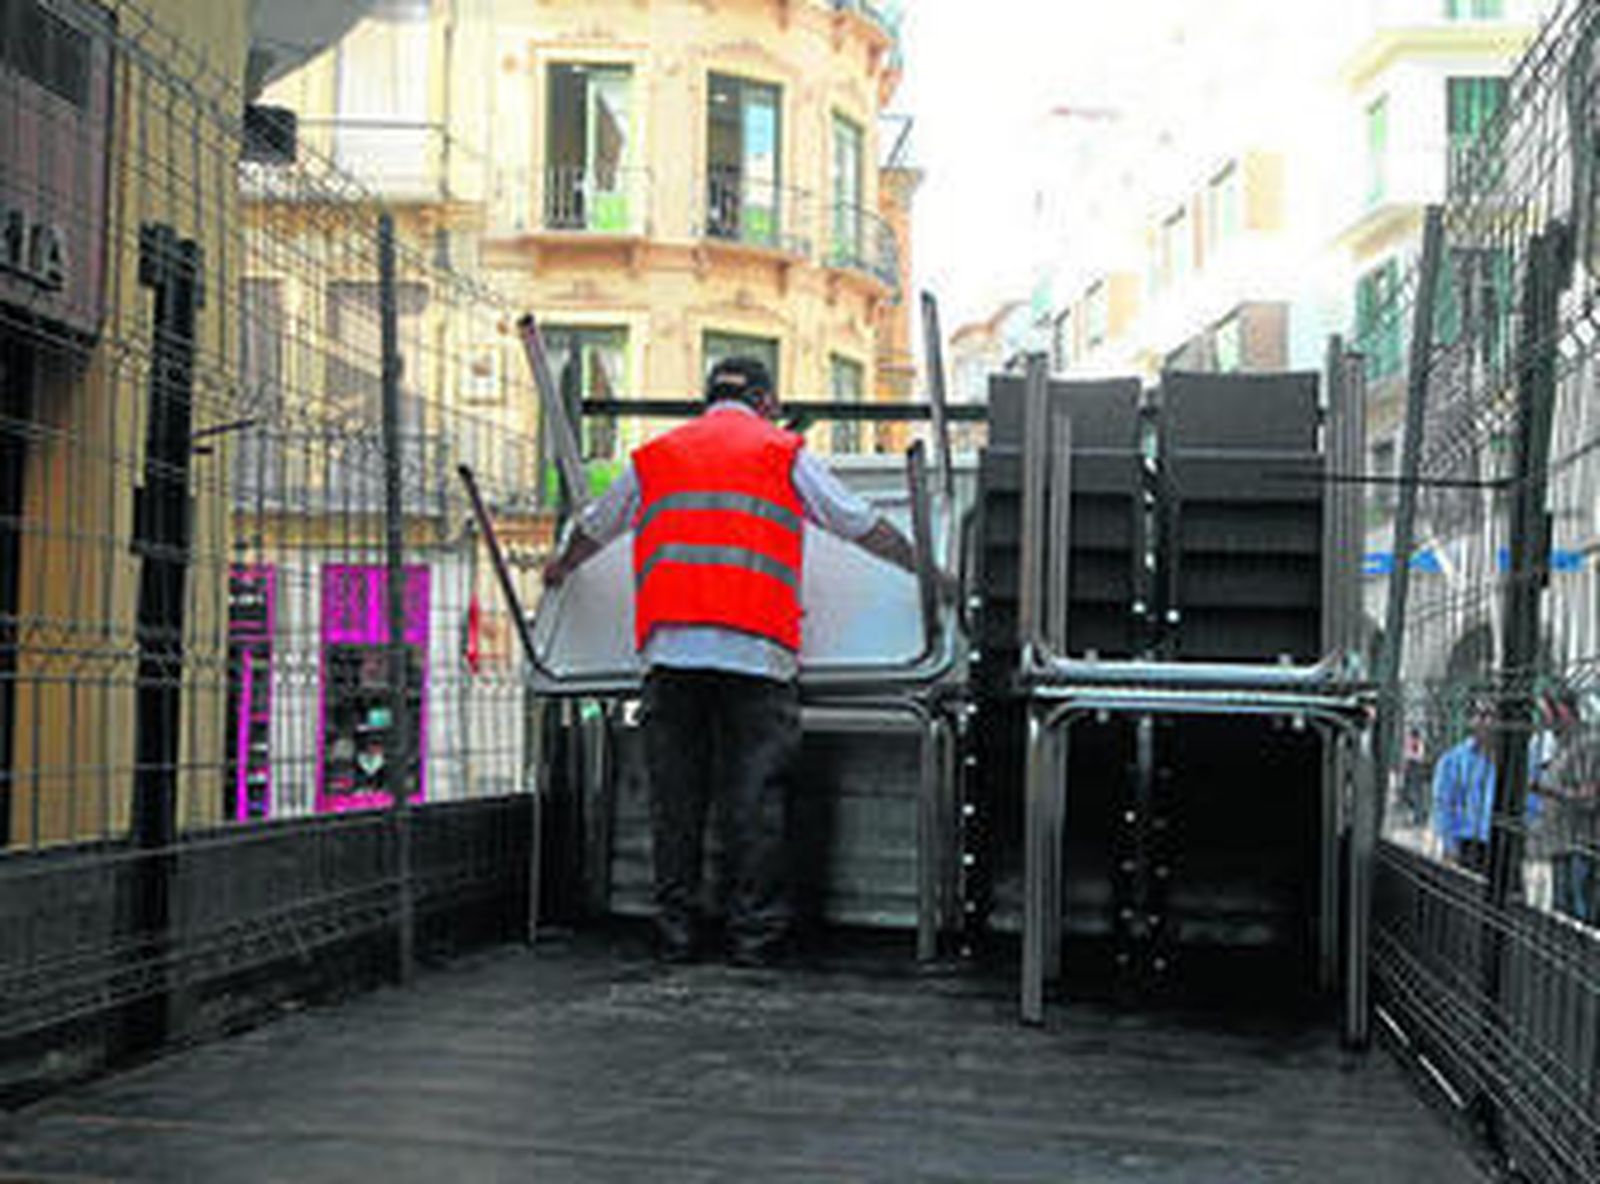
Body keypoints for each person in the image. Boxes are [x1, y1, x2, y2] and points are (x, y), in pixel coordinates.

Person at [542, 356, 931, 966]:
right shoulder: (783, 452)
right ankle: (754, 940)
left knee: (677, 802)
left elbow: (594, 527)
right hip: (757, 653)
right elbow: (859, 525)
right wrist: (928, 573)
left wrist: (561, 568)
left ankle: (675, 934)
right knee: (756, 801)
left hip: (672, 654)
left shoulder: (659, 456)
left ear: (708, 399)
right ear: (767, 402)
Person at [1431, 703, 1544, 875]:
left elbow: (1532, 800)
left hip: (1505, 843)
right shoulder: (1452, 760)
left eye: (1493, 716)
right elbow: (1443, 804)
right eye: (1481, 715)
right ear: (1471, 720)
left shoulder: (1519, 763)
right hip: (1469, 843)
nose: (1487, 722)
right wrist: (1449, 844)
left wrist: (1522, 831)